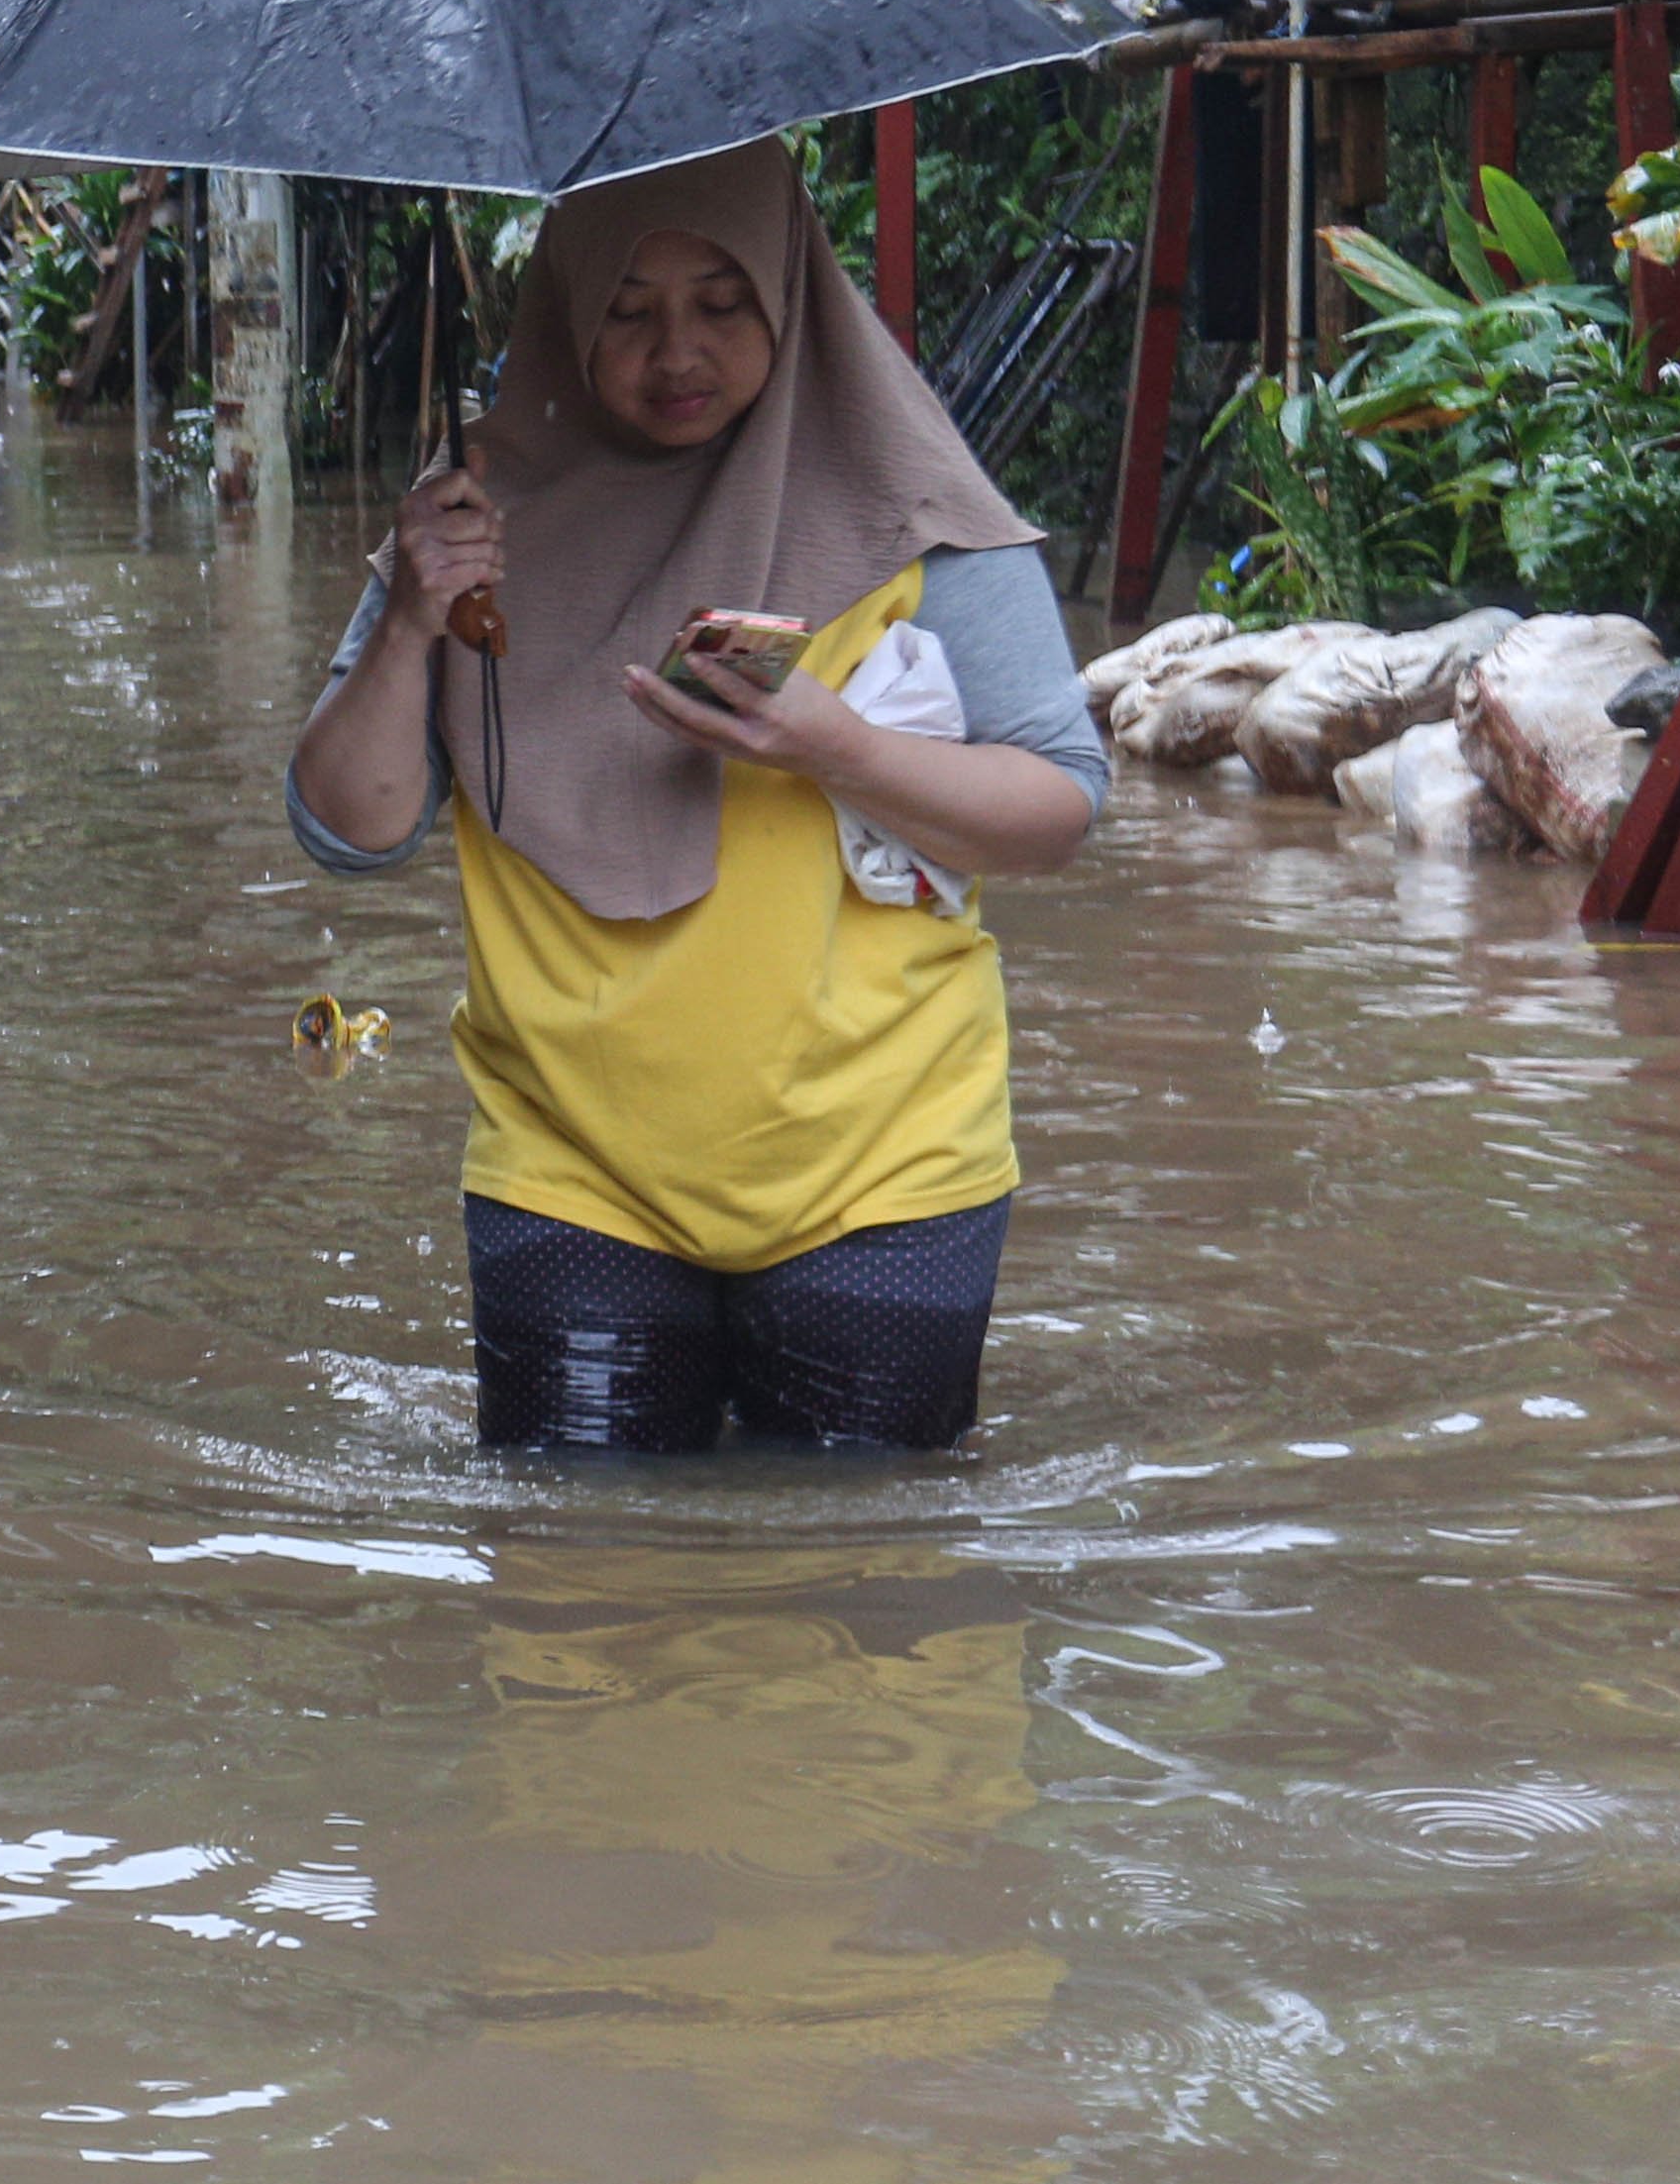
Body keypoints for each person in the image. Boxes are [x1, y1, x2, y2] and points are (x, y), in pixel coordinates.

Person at [284, 142, 1105, 1455]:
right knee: (574, 1560)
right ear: (564, 311)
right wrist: (407, 617)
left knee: (865, 1560)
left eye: (722, 304)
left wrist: (832, 747)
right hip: (566, 1166)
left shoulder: (912, 509)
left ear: (788, 292)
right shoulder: (467, 534)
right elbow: (347, 831)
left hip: (884, 1164)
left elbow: (1058, 805)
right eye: (626, 312)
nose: (676, 352)